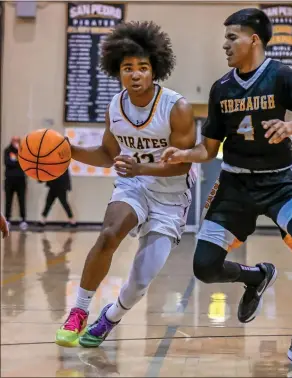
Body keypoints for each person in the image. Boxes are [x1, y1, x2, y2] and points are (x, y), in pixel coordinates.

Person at [161, 8, 292, 371]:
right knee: (204, 267)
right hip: (235, 183)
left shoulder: (282, 76)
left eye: (231, 37)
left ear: (254, 39)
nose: (224, 45)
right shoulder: (221, 88)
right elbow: (208, 150)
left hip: (279, 181)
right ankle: (256, 277)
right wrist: (183, 154)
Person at [55, 21, 196, 348]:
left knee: (140, 280)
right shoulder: (115, 107)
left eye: (143, 68)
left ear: (154, 70)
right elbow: (108, 153)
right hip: (133, 186)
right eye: (127, 68)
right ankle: (78, 310)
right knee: (108, 235)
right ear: (117, 71)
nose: (135, 74)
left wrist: (141, 166)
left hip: (171, 195)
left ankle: (111, 317)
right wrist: (70, 151)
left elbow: (184, 164)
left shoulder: (177, 108)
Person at [4, 136, 28, 230]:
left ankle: (23, 220)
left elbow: (25, 164)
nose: (16, 142)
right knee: (8, 200)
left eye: (17, 141)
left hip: (21, 180)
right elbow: (7, 162)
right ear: (11, 141)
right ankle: (7, 220)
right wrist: (18, 161)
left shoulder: (23, 151)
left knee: (21, 200)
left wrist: (17, 159)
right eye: (14, 140)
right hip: (9, 180)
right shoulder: (7, 150)